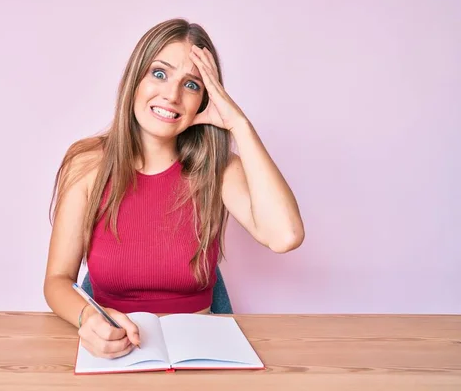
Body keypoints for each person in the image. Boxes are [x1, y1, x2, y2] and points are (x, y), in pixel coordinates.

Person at [43, 18, 304, 359]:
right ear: (134, 80)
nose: (172, 95)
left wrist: (238, 123)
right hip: (114, 354)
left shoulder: (220, 170)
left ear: (205, 100)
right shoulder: (87, 164)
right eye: (160, 73)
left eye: (192, 85)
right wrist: (87, 318)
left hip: (200, 353)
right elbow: (58, 279)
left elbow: (286, 235)